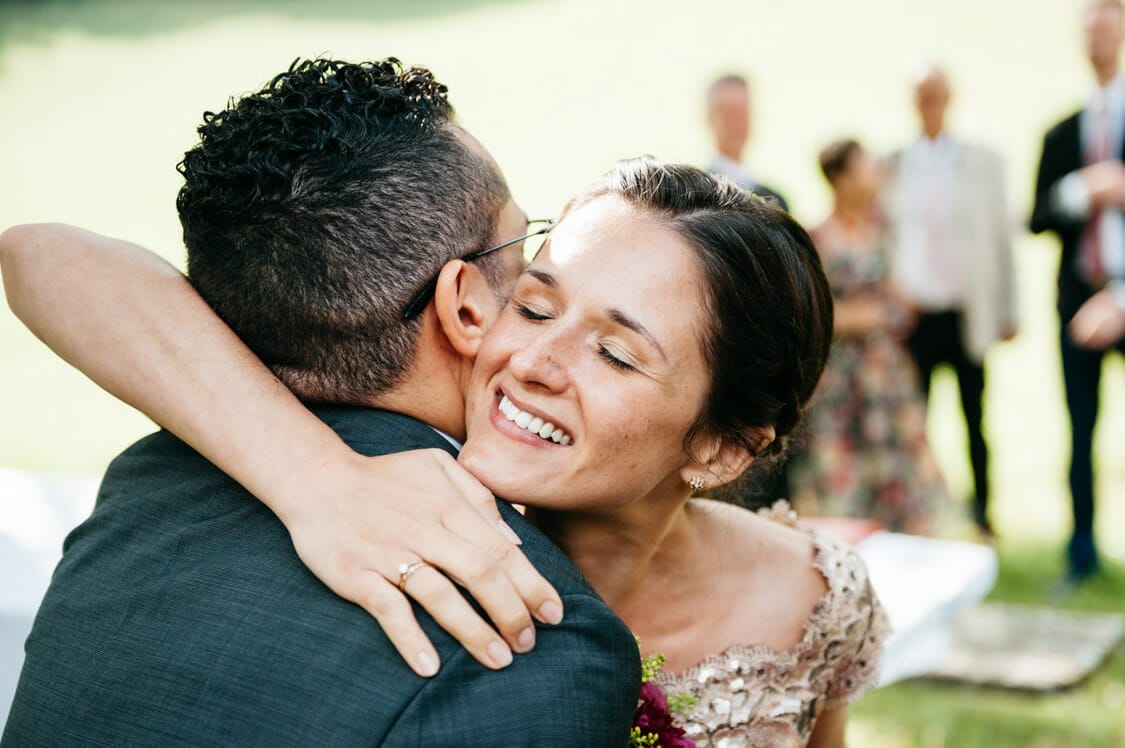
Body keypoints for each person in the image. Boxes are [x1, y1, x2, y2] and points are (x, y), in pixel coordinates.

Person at [3, 153, 889, 742]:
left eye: (615, 353)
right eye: (535, 305)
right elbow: (47, 256)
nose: (533, 361)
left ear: (723, 449)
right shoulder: (362, 477)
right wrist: (317, 480)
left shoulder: (812, 603)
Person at [0, 58, 642, 746]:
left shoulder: (148, 483)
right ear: (463, 304)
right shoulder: (531, 629)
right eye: (523, 243)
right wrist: (318, 480)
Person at [883, 65, 1018, 536]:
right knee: (912, 418)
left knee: (974, 417)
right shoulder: (895, 164)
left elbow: (1001, 237)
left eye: (937, 95)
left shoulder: (981, 162)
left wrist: (1008, 308)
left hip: (963, 309)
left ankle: (983, 511)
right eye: (922, 96)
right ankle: (915, 509)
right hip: (914, 314)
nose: (930, 105)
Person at [790, 138, 949, 534]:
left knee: (897, 463)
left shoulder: (883, 228)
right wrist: (865, 316)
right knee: (841, 468)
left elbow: (901, 289)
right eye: (865, 167)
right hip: (841, 379)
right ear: (841, 178)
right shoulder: (817, 236)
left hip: (885, 373)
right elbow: (812, 313)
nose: (875, 173)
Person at [1030, 0, 1125, 586]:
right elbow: (1037, 215)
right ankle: (1082, 552)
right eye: (1088, 30)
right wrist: (1081, 190)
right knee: (1079, 430)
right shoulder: (1064, 130)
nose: (1097, 40)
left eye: (1107, 28)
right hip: (1076, 300)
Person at [704, 74, 789, 212]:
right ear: (709, 118)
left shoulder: (774, 200)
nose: (736, 124)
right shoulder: (695, 195)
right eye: (728, 114)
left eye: (742, 114)